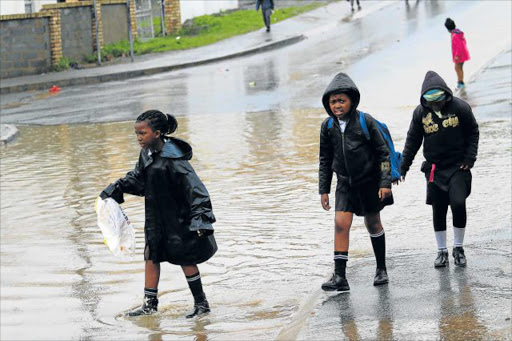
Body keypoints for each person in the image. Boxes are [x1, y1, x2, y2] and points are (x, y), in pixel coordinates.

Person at [100, 110, 218, 318]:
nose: (138, 138)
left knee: (185, 258)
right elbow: (139, 179)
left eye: (142, 133)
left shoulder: (175, 160)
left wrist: (201, 219)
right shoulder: (146, 154)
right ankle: (149, 305)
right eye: (136, 134)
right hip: (155, 217)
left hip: (179, 217)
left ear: (157, 133)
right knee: (151, 256)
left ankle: (201, 304)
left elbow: (197, 190)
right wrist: (116, 187)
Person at [319, 72, 393, 292]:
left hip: (369, 182)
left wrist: (385, 183)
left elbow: (383, 154)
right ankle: (340, 277)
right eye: (333, 102)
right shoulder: (327, 127)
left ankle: (381, 269)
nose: (337, 105)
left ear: (352, 101)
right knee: (341, 224)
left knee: (373, 223)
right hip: (344, 184)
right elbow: (325, 160)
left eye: (341, 100)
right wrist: (323, 190)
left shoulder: (364, 121)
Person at [400, 71, 479, 268]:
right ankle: (441, 251)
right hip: (434, 169)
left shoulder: (460, 107)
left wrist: (470, 159)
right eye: (431, 101)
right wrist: (402, 168)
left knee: (458, 203)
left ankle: (458, 247)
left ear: (445, 94)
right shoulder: (420, 113)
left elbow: (473, 132)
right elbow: (412, 142)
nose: (436, 104)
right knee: (439, 209)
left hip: (458, 166)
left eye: (439, 100)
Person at [444, 18, 470, 89]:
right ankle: (460, 82)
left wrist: (457, 55)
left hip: (459, 55)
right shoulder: (458, 33)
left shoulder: (455, 36)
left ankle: (460, 83)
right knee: (459, 68)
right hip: (463, 53)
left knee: (457, 68)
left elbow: (459, 46)